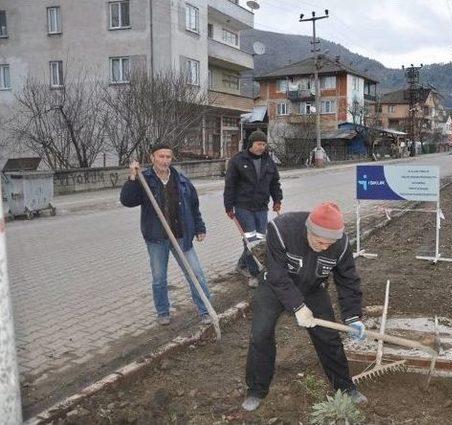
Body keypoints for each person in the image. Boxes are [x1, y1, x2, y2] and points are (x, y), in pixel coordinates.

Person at [242, 202, 367, 411]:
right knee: (260, 333)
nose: (325, 247)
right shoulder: (282, 230)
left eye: (329, 244)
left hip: (313, 288)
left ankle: (345, 387)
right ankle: (256, 389)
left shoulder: (341, 244)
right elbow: (277, 274)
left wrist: (353, 316)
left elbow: (348, 280)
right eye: (320, 242)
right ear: (309, 230)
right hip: (275, 286)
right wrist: (298, 307)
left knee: (329, 337)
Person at [120, 143, 213, 326]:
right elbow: (127, 201)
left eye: (168, 157)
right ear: (152, 157)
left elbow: (194, 206)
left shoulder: (181, 180)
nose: (165, 161)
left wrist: (200, 227)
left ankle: (206, 310)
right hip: (157, 238)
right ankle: (163, 312)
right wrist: (132, 178)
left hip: (181, 236)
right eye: (161, 156)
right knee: (159, 277)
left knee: (196, 274)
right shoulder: (144, 179)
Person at [223, 130, 283, 288]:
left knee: (260, 240)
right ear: (251, 144)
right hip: (243, 206)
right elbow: (230, 185)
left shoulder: (269, 162)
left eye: (264, 144)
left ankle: (242, 264)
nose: (261, 147)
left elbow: (275, 183)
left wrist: (277, 200)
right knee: (251, 239)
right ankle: (255, 274)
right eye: (258, 144)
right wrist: (228, 206)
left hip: (261, 207)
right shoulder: (238, 160)